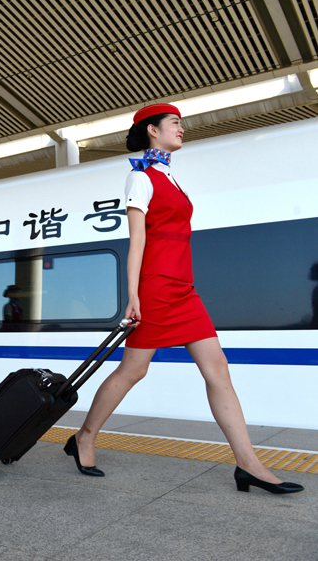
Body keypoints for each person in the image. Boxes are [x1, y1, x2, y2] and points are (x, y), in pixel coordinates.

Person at [66, 103, 303, 495]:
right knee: (134, 370)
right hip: (157, 287)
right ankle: (85, 437)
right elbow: (137, 241)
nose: (181, 129)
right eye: (174, 123)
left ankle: (248, 464)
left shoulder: (170, 176)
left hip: (185, 289)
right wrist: (133, 295)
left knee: (218, 369)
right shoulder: (140, 177)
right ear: (152, 131)